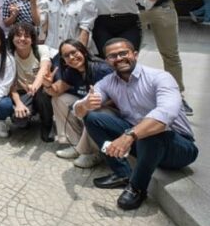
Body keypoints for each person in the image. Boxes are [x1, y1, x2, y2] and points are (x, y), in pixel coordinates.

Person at [74, 38, 198, 210]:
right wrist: (85, 105)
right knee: (93, 118)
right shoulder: (108, 81)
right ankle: (123, 174)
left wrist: (129, 135)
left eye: (123, 53)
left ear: (135, 54)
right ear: (107, 61)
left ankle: (137, 188)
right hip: (140, 140)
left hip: (178, 146)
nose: (118, 58)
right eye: (112, 56)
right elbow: (78, 108)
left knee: (150, 132)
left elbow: (165, 114)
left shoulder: (160, 77)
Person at [44, 39, 113, 169]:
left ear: (84, 51)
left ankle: (93, 152)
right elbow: (56, 90)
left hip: (110, 113)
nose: (71, 57)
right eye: (66, 55)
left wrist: (94, 103)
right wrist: (48, 85)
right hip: (87, 106)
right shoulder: (72, 71)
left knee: (93, 109)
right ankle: (76, 145)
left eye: (74, 52)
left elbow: (118, 99)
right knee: (59, 99)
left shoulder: (101, 69)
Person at [8, 23, 54, 142]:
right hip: (22, 92)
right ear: (12, 38)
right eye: (18, 35)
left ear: (33, 39)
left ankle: (47, 124)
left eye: (27, 36)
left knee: (41, 93)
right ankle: (30, 115)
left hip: (41, 89)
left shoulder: (41, 49)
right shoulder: (9, 56)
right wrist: (18, 104)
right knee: (19, 120)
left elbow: (44, 68)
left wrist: (34, 86)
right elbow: (10, 85)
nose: (22, 39)